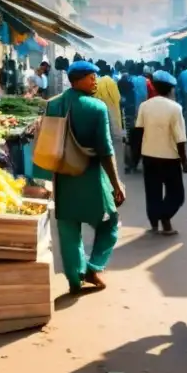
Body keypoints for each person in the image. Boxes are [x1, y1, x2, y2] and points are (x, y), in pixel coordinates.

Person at [45, 61, 126, 294]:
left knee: (69, 228)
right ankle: (94, 267)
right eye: (91, 77)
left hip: (63, 177)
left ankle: (74, 278)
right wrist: (116, 183)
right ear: (77, 79)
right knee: (110, 222)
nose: (95, 81)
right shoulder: (96, 107)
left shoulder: (53, 105)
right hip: (90, 177)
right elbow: (106, 151)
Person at [136, 70, 187, 234]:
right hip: (170, 157)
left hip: (149, 155)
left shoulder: (144, 106)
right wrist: (184, 159)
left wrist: (137, 155)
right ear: (171, 89)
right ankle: (165, 218)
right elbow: (180, 137)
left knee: (152, 191)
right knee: (177, 194)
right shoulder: (176, 108)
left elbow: (139, 131)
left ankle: (154, 223)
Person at [93, 62, 124, 149]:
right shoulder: (110, 81)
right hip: (112, 107)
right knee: (113, 125)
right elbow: (117, 97)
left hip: (99, 107)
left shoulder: (96, 81)